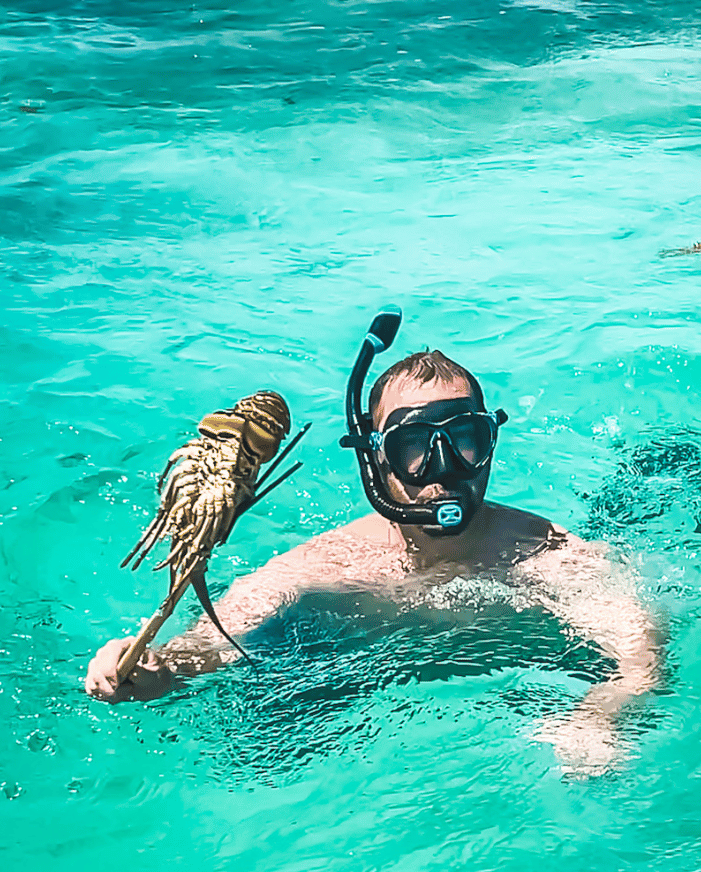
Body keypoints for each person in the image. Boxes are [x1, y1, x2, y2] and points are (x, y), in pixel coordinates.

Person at [85, 326, 662, 774]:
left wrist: (598, 717)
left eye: (465, 440)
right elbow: (213, 641)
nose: (444, 469)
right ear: (374, 458)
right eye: (414, 447)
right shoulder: (327, 566)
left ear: (490, 441)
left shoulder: (547, 556)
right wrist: (156, 667)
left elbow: (641, 659)